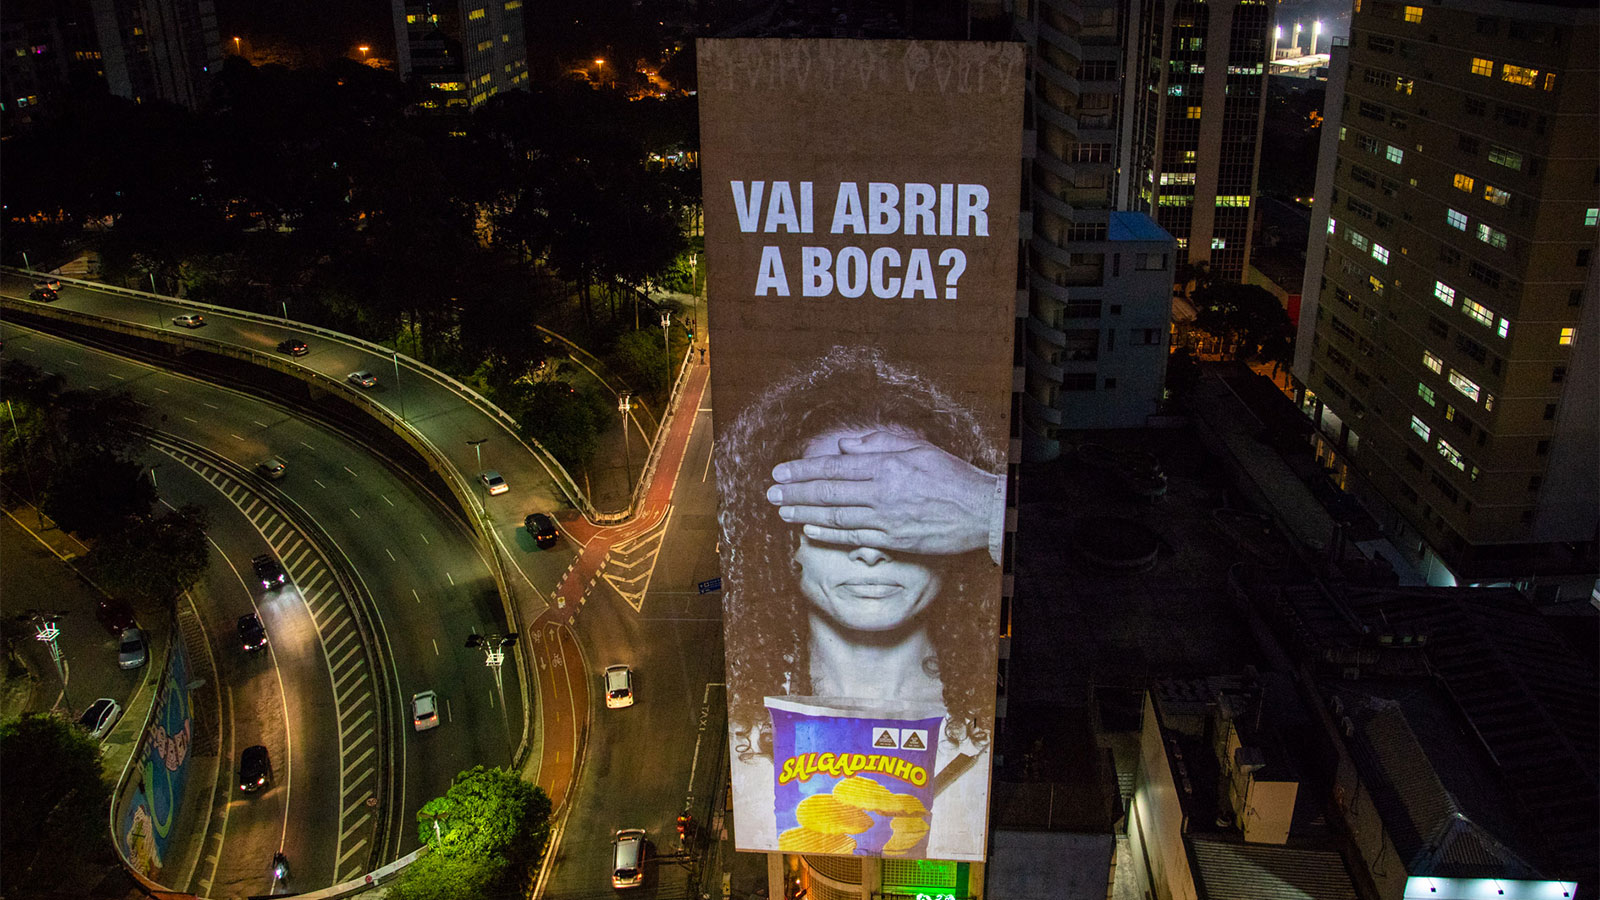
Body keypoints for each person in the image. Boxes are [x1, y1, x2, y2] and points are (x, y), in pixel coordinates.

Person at [715, 345, 1004, 859]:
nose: (870, 548)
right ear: (776, 541)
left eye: (905, 515)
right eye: (835, 513)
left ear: (953, 528)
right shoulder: (750, 754)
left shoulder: (990, 752)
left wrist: (990, 510)